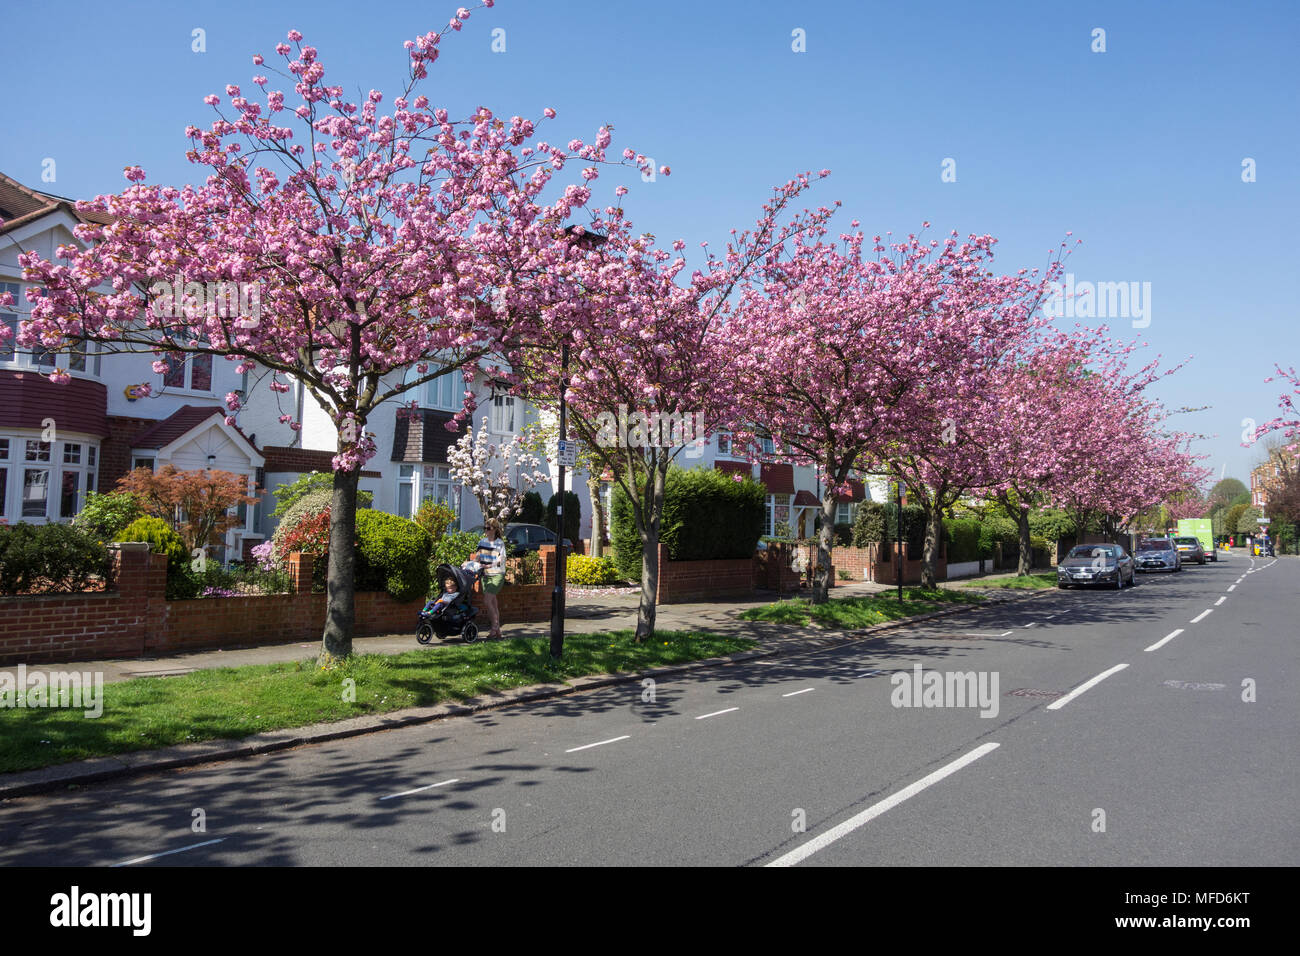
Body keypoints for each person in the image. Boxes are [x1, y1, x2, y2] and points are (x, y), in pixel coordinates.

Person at [477, 518, 507, 640]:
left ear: (494, 529)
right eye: (485, 528)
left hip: (497, 574)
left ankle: (494, 627)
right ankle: (498, 631)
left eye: (488, 528)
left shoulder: (500, 543)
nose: (486, 530)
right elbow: (478, 557)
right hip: (486, 575)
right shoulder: (482, 541)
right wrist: (469, 564)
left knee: (487, 601)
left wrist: (491, 565)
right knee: (493, 604)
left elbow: (502, 558)